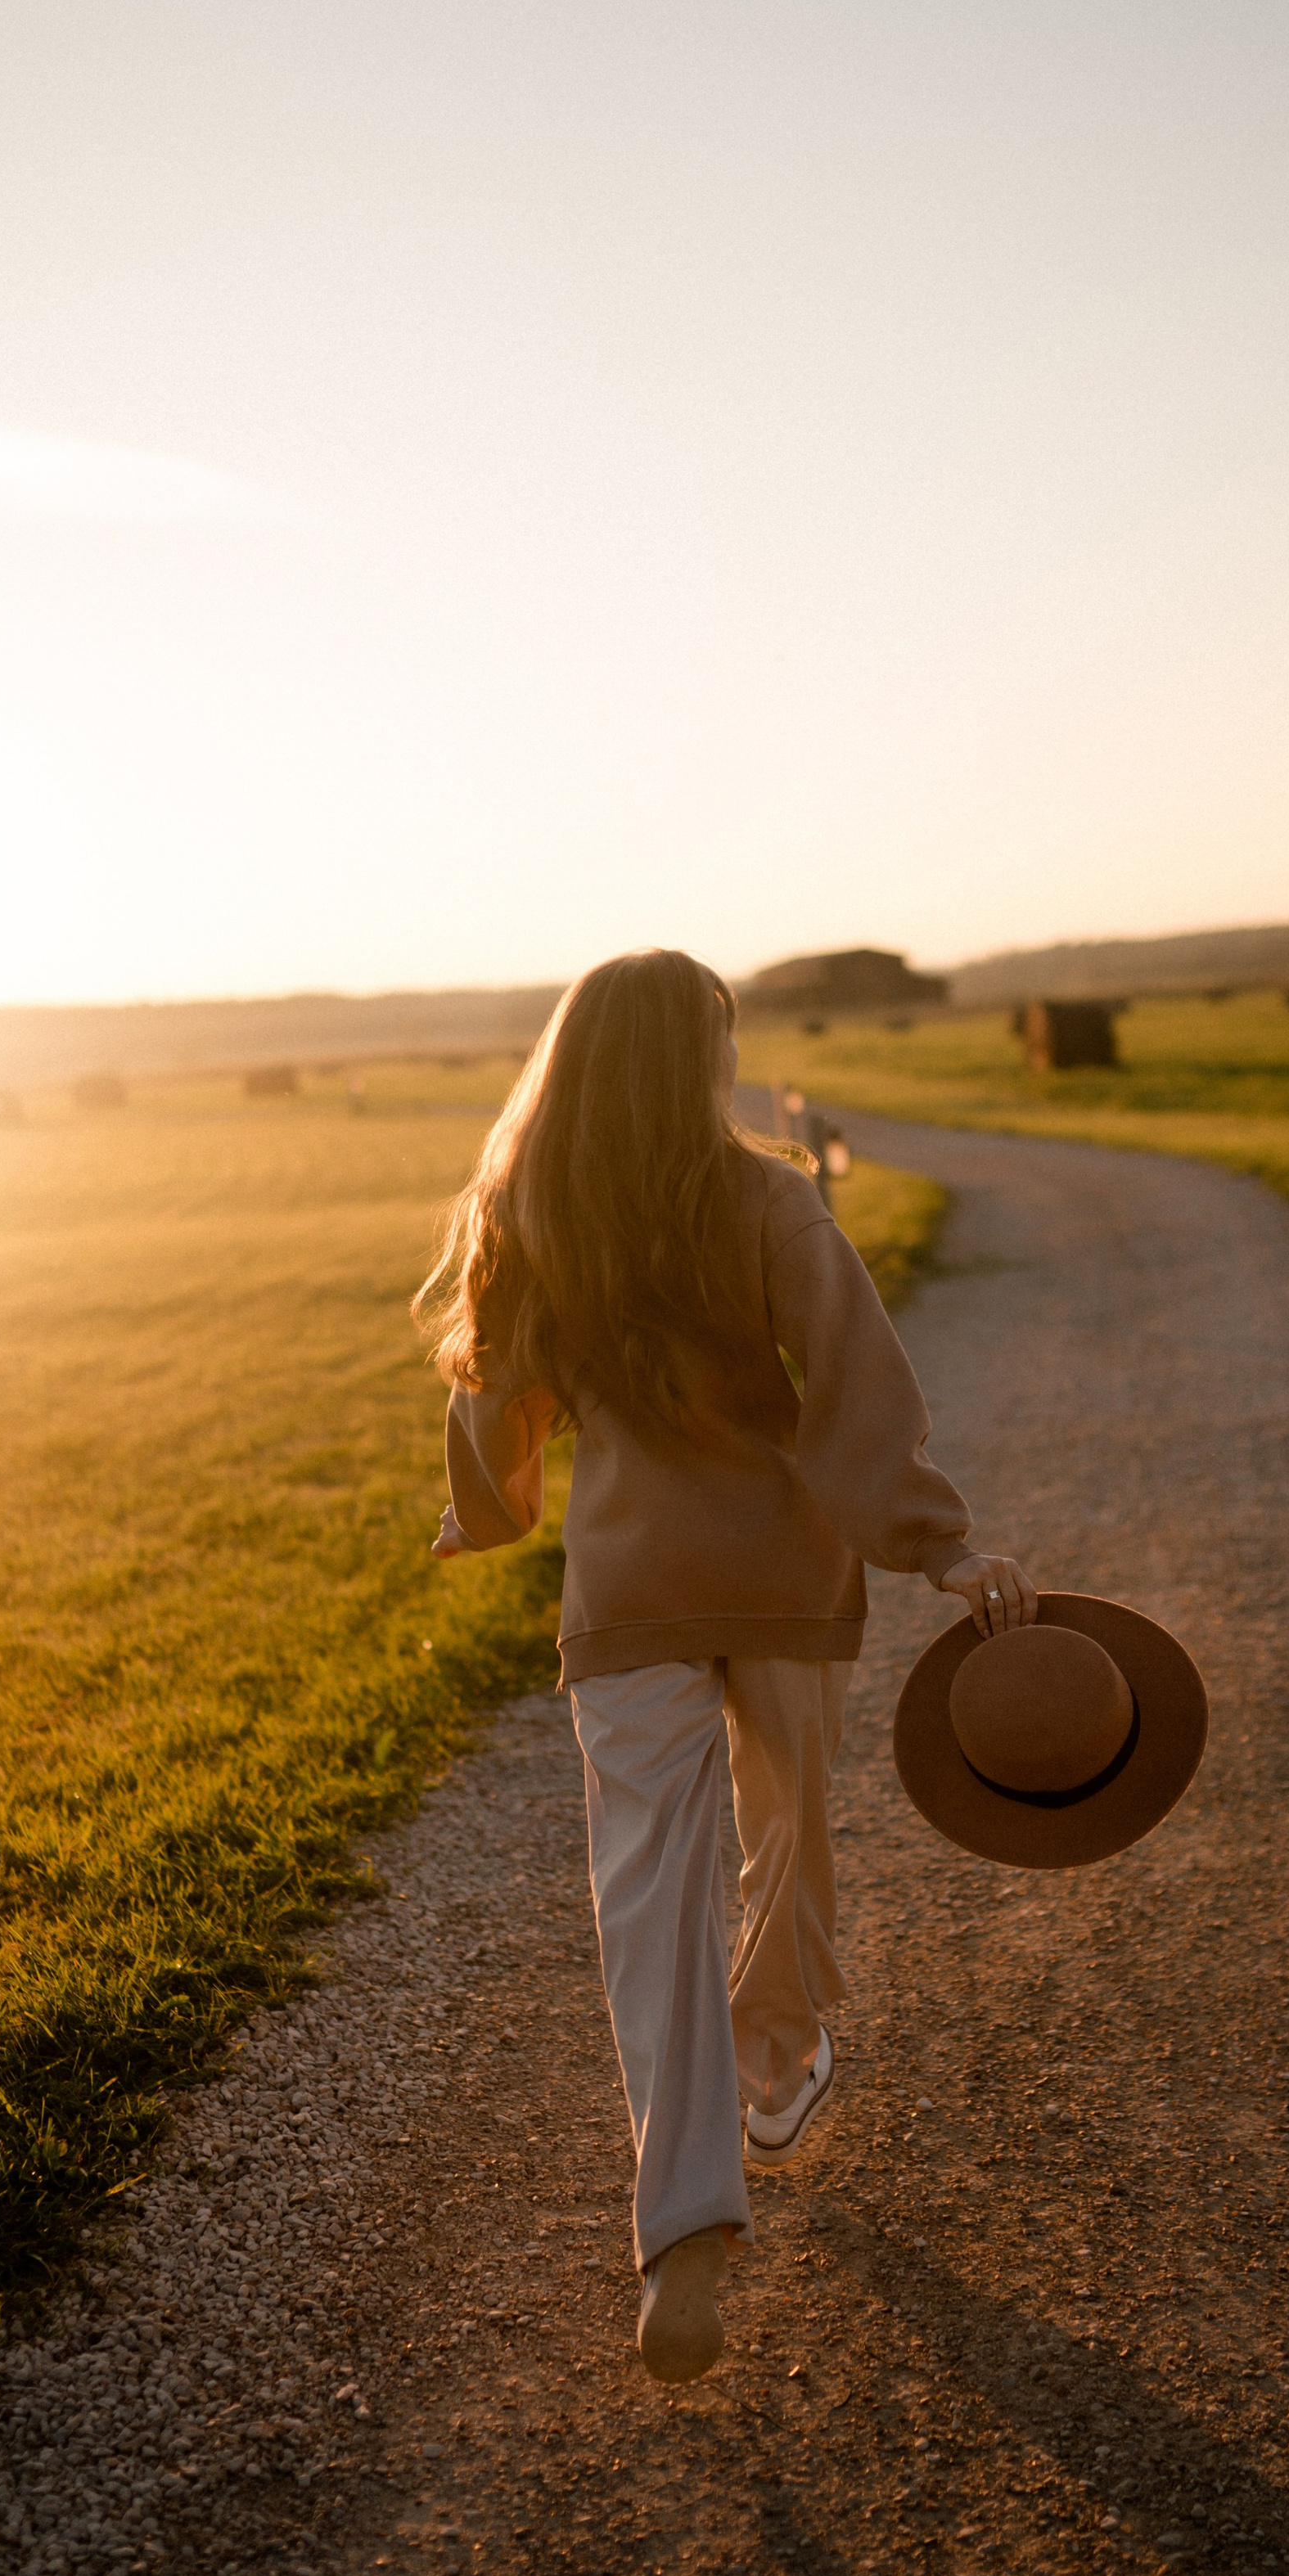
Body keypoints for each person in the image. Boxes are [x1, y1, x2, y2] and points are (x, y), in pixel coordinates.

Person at [414, 951, 1036, 2384]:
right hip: (780, 1580)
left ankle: (685, 2225)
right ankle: (780, 2058)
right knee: (788, 1844)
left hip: (628, 1595)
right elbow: (855, 1382)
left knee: (648, 1901)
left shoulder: (537, 1205)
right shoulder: (767, 1194)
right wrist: (938, 1548)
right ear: (703, 1057)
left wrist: (490, 1514)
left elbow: (496, 1384)